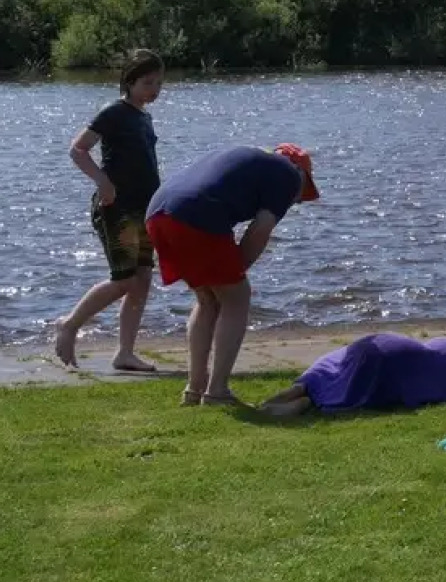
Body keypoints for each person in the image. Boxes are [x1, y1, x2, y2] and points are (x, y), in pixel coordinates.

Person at [145, 143, 320, 406]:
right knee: (236, 298)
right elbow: (261, 229)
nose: (296, 201)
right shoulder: (288, 175)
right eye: (301, 194)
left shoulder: (252, 162)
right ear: (302, 172)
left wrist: (230, 272)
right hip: (196, 213)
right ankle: (217, 392)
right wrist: (237, 271)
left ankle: (194, 389)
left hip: (159, 212)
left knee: (207, 299)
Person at [55, 50, 165, 371]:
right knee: (125, 281)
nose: (154, 89)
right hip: (116, 209)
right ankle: (70, 324)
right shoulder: (113, 112)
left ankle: (125, 353)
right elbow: (78, 149)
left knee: (143, 279)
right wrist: (102, 182)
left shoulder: (144, 117)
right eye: (147, 82)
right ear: (129, 82)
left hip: (145, 209)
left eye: (158, 83)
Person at [258, 333, 446, 419]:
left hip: (381, 340)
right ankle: (304, 403)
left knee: (330, 372)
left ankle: (297, 389)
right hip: (395, 361)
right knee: (341, 395)